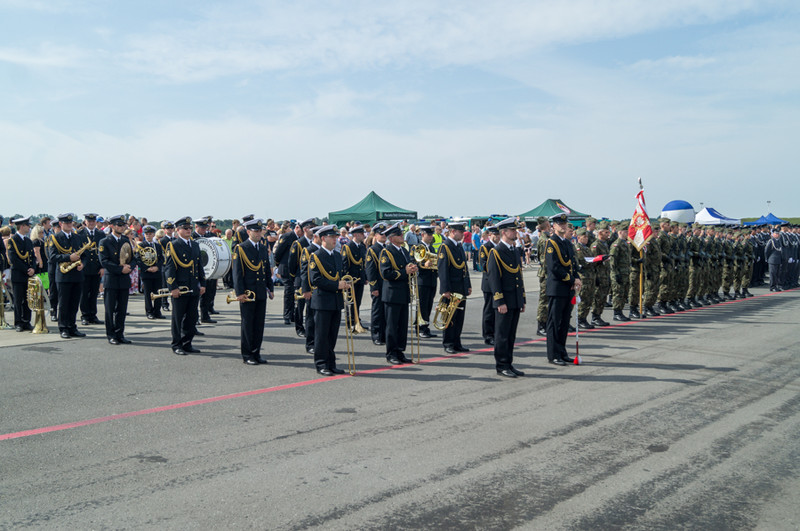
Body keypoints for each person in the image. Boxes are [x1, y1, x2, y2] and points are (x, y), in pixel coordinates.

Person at [486, 218, 526, 378]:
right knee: (502, 335)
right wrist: (499, 301)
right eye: (513, 230)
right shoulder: (496, 252)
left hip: (514, 299)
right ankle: (501, 365)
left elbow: (518, 276)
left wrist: (522, 299)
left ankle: (509, 363)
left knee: (511, 335)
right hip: (504, 301)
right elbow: (494, 279)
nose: (515, 232)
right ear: (504, 232)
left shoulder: (514, 251)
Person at [232, 218, 275, 365]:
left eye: (260, 231)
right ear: (248, 232)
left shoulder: (262, 248)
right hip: (248, 293)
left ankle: (256, 352)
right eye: (255, 231)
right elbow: (237, 273)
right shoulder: (241, 248)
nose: (259, 233)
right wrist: (239, 292)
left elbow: (266, 270)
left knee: (259, 325)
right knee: (248, 324)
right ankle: (247, 354)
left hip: (261, 291)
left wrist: (270, 287)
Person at [308, 225, 349, 376]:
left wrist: (345, 284)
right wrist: (336, 285)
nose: (335, 239)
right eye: (332, 237)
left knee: (332, 335)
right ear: (323, 238)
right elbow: (316, 279)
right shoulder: (316, 256)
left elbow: (341, 274)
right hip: (323, 301)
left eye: (336, 237)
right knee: (321, 335)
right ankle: (321, 364)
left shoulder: (337, 255)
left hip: (336, 300)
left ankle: (331, 363)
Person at [165, 216, 206, 355]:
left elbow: (199, 266)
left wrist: (203, 283)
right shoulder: (173, 245)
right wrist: (173, 287)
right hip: (180, 288)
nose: (189, 230)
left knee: (191, 317)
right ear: (178, 230)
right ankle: (177, 344)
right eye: (185, 228)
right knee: (177, 318)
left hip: (194, 287)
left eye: (190, 228)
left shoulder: (194, 245)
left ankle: (187, 343)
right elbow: (169, 269)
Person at [545, 213, 581, 366]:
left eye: (565, 224)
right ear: (553, 226)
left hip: (568, 288)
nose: (563, 226)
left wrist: (576, 278)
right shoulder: (551, 243)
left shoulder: (566, 243)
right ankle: (553, 354)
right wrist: (572, 279)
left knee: (565, 322)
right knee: (554, 321)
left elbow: (572, 263)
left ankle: (562, 351)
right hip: (557, 288)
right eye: (560, 224)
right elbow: (554, 267)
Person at [379, 222, 418, 365]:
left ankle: (400, 351)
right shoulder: (386, 252)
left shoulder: (404, 251)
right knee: (392, 325)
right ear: (392, 237)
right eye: (399, 234)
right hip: (392, 294)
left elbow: (408, 264)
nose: (402, 236)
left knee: (402, 325)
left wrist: (413, 268)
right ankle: (391, 353)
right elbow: (385, 273)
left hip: (403, 292)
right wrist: (404, 272)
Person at [50, 213, 87, 339]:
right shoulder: (55, 238)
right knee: (64, 304)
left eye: (71, 223)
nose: (69, 225)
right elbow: (52, 257)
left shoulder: (77, 237)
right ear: (61, 224)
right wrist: (68, 257)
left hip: (77, 274)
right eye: (66, 223)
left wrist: (83, 264)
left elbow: (85, 255)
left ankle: (72, 326)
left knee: (74, 303)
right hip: (64, 276)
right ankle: (63, 328)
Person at [98, 215, 133, 345]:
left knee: (122, 309)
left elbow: (133, 257)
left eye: (123, 225)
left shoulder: (125, 240)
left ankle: (120, 333)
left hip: (124, 279)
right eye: (119, 225)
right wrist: (120, 269)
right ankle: (111, 335)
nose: (122, 227)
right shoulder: (104, 241)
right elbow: (104, 261)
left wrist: (130, 267)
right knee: (110, 309)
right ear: (112, 226)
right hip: (112, 279)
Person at [438, 221, 471, 354]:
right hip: (451, 288)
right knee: (449, 317)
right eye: (460, 232)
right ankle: (448, 343)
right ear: (452, 232)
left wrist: (468, 285)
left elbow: (464, 267)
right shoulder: (445, 247)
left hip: (461, 287)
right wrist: (445, 289)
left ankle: (457, 342)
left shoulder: (458, 246)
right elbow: (443, 270)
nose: (462, 234)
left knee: (459, 317)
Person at [289, 218, 316, 337]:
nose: (314, 230)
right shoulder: (298, 243)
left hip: (312, 280)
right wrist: (295, 278)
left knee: (311, 306)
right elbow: (292, 264)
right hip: (300, 279)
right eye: (311, 227)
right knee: (300, 306)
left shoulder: (315, 244)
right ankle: (299, 327)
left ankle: (311, 327)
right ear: (305, 229)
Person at [8, 217, 35, 332]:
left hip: (28, 274)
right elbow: (14, 259)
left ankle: (26, 321)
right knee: (18, 300)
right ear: (22, 226)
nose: (29, 228)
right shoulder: (12, 240)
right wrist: (26, 269)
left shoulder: (28, 241)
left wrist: (33, 268)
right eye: (28, 226)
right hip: (19, 275)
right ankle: (18, 322)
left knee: (28, 299)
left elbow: (32, 257)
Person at [77, 213, 105, 326]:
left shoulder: (101, 234)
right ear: (85, 222)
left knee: (94, 293)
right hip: (84, 268)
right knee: (84, 294)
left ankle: (93, 315)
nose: (92, 223)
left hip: (96, 268)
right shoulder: (79, 234)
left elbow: (103, 252)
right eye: (89, 221)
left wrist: (103, 267)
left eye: (93, 221)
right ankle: (85, 315)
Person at [136, 225, 166, 319]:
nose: (148, 236)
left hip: (157, 272)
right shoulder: (141, 245)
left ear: (153, 234)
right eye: (147, 234)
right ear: (144, 234)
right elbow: (138, 259)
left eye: (150, 234)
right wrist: (147, 268)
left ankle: (157, 311)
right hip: (147, 273)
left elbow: (161, 258)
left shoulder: (157, 245)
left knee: (158, 293)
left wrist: (157, 267)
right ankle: (149, 311)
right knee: (148, 294)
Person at [365, 222, 388, 345]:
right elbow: (370, 270)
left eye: (385, 233)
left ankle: (384, 334)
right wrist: (373, 286)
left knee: (385, 311)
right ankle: (377, 335)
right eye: (381, 234)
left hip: (387, 285)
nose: (384, 235)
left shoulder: (387, 248)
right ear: (375, 235)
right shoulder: (373, 250)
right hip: (378, 285)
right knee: (377, 311)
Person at [192, 217, 218, 322]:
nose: (204, 230)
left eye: (205, 227)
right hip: (196, 270)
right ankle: (194, 318)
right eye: (202, 228)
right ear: (196, 227)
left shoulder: (208, 237)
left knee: (208, 294)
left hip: (208, 269)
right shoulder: (191, 237)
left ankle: (205, 315)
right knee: (195, 297)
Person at [274, 221, 300, 325]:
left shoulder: (300, 239)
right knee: (289, 292)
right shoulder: (287, 236)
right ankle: (287, 315)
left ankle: (293, 314)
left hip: (295, 269)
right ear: (297, 228)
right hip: (286, 268)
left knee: (295, 292)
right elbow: (278, 253)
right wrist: (279, 266)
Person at [342, 224, 367, 332]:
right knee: (351, 302)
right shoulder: (347, 247)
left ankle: (357, 321)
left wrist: (364, 277)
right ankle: (350, 322)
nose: (363, 235)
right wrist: (347, 280)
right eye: (361, 234)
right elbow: (344, 264)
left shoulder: (362, 246)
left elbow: (363, 264)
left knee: (358, 301)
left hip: (359, 278)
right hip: (351, 279)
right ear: (356, 235)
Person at [478, 224, 500, 344]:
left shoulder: (500, 247)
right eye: (495, 234)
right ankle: (488, 335)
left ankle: (496, 332)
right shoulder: (485, 247)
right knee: (489, 310)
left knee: (497, 309)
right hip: (488, 283)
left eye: (498, 234)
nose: (497, 236)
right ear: (490, 235)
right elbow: (484, 265)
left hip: (499, 283)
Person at [415, 226, 438, 339]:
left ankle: (426, 327)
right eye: (429, 234)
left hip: (431, 280)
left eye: (431, 234)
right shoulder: (418, 247)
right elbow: (414, 262)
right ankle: (420, 328)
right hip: (422, 281)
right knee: (422, 306)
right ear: (423, 234)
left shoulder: (432, 248)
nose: (431, 236)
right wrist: (424, 265)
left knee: (428, 305)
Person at [609, 222, 632, 321]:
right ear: (620, 232)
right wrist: (616, 274)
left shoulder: (625, 244)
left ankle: (620, 311)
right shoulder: (616, 244)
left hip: (625, 273)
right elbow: (613, 261)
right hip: (618, 273)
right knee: (618, 293)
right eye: (625, 231)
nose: (627, 233)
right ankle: (617, 312)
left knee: (624, 293)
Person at [765, 227, 783, 291]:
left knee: (777, 274)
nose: (777, 235)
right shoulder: (771, 241)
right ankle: (772, 287)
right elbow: (767, 251)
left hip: (778, 260)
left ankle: (776, 286)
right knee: (773, 274)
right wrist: (767, 258)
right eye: (776, 234)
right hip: (772, 260)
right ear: (773, 234)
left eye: (778, 234)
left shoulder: (779, 241)